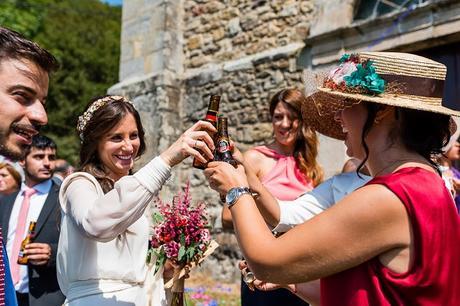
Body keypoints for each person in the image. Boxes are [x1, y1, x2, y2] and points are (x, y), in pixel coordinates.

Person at [205, 52, 460, 304]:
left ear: (381, 111)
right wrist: (292, 282)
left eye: (347, 106)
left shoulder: (388, 196)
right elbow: (370, 289)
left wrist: (236, 190)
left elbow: (265, 261)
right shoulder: (428, 182)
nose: (338, 118)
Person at [57, 95, 216, 305]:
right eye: (116, 138)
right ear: (95, 143)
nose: (128, 146)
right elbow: (94, 224)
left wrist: (167, 266)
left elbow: (132, 267)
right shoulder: (79, 184)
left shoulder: (134, 190)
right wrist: (167, 159)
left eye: (133, 135)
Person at [221, 88, 322, 306]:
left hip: (300, 271)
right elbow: (227, 217)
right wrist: (272, 219)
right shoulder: (254, 159)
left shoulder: (310, 167)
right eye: (278, 117)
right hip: (263, 268)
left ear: (302, 121)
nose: (284, 124)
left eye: (292, 118)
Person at [0, 26, 58, 306]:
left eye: (42, 102)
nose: (42, 116)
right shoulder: (7, 197)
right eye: (22, 96)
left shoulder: (66, 197)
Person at [0, 135, 65, 306]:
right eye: (39, 157)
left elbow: (82, 246)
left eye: (51, 157)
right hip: (7, 296)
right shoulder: (6, 199)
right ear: (22, 160)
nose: (47, 163)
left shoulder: (64, 199)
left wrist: (53, 253)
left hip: (44, 296)